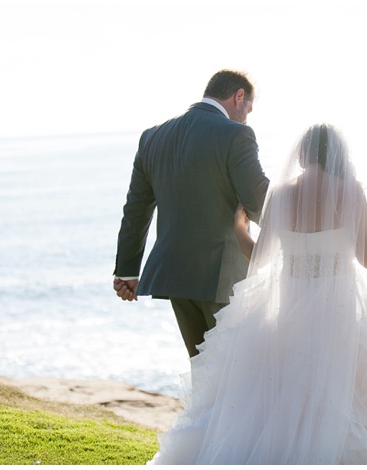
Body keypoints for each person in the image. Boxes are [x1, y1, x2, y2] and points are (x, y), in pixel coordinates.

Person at [148, 123, 367, 464]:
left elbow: (260, 256)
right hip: (337, 313)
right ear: (340, 156)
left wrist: (240, 230)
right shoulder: (350, 192)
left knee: (286, 390)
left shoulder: (281, 194)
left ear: (302, 153)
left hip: (290, 311)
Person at [113, 69, 269, 357]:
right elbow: (260, 203)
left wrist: (127, 271)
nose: (247, 117)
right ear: (239, 97)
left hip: (176, 275)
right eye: (248, 109)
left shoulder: (153, 137)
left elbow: (136, 209)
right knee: (234, 370)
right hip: (224, 277)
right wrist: (305, 228)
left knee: (203, 371)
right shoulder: (236, 134)